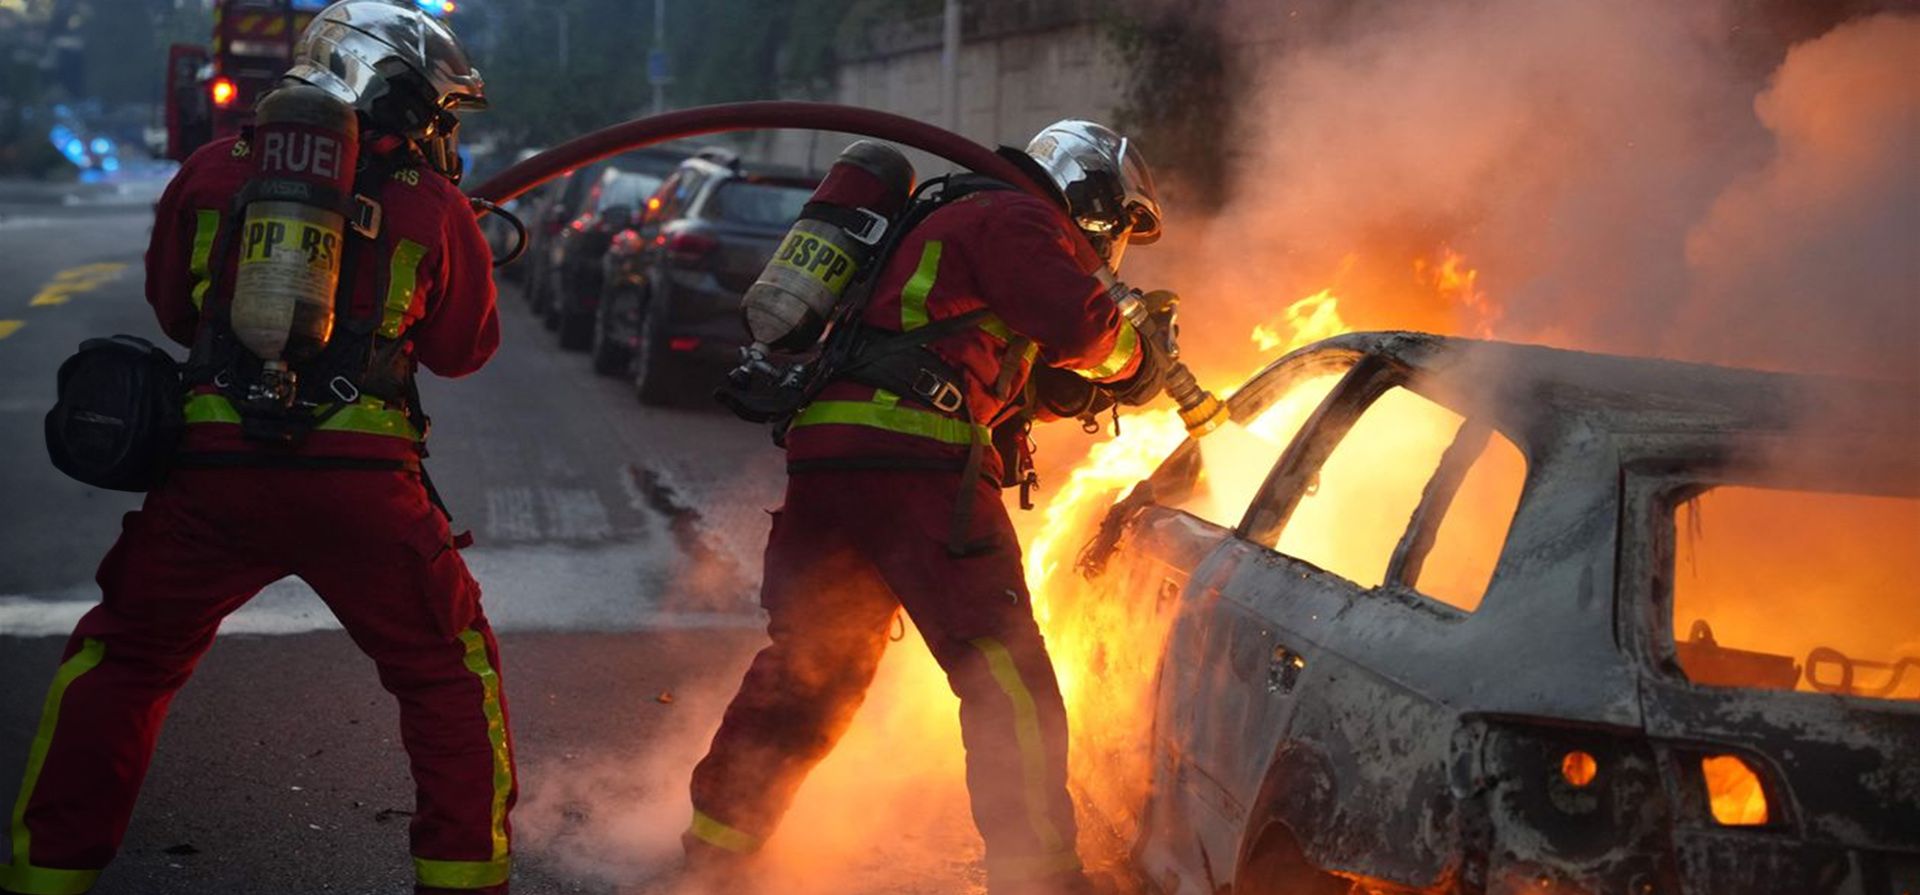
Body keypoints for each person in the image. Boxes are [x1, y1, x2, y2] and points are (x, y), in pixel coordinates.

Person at [0, 4, 511, 894]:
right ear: (394, 90)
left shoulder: (209, 173)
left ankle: (47, 872)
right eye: (436, 111)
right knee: (445, 672)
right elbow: (464, 350)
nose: (439, 130)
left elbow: (172, 308)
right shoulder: (428, 203)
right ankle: (464, 876)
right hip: (363, 491)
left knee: (121, 661)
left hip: (213, 477)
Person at [683, 120, 1169, 895]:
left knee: (816, 668)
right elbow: (1085, 327)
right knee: (1004, 670)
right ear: (1097, 203)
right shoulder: (1019, 217)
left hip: (831, 456)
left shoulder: (951, 216)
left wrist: (1051, 391)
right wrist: (1141, 356)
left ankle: (716, 849)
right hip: (913, 461)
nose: (1109, 254)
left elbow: (949, 352)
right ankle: (1039, 876)